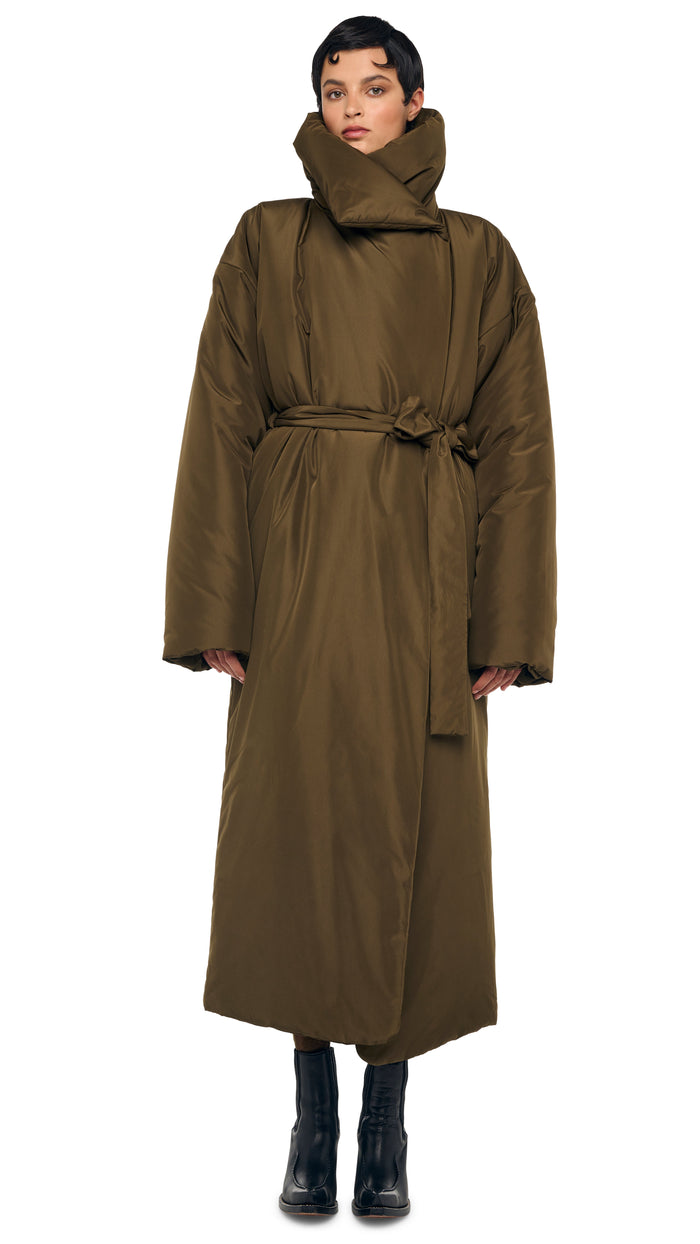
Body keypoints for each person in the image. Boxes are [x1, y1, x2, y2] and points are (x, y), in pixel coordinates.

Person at [161, 15, 557, 1219]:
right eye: (332, 89)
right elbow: (219, 422)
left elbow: (519, 450)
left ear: (415, 101)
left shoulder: (479, 254)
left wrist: (507, 625)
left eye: (372, 87)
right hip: (296, 570)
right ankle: (311, 1106)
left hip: (425, 579)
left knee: (415, 843)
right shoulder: (265, 238)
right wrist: (213, 603)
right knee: (298, 831)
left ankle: (385, 1114)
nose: (349, 108)